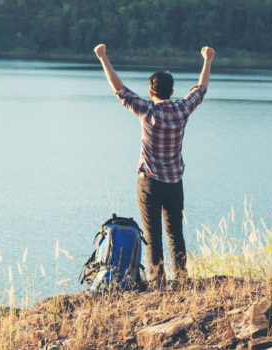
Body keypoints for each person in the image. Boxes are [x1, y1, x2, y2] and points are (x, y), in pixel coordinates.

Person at [94, 43, 215, 288]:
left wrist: (103, 57)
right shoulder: (182, 109)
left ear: (151, 93)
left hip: (149, 182)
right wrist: (208, 59)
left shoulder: (147, 110)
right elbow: (200, 89)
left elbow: (120, 90)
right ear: (172, 91)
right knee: (175, 233)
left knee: (153, 235)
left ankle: (158, 282)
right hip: (174, 183)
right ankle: (181, 279)